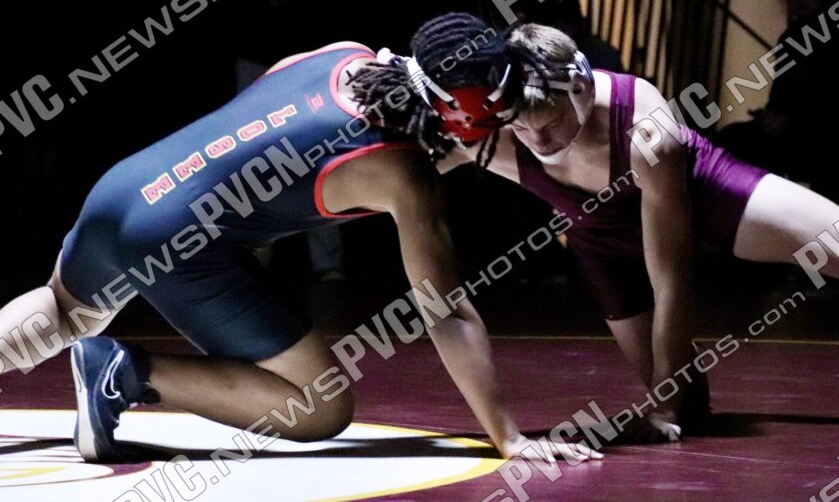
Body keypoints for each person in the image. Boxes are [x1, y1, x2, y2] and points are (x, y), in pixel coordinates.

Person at [350, 13, 839, 442]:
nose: (535, 140)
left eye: (548, 124)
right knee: (688, 409)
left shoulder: (645, 128)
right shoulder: (494, 129)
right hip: (601, 242)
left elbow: (673, 276)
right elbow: (385, 154)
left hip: (700, 194)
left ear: (580, 89)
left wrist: (660, 396)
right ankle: (681, 393)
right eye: (518, 125)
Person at [0, 41, 597, 465]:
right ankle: (125, 372)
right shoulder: (405, 176)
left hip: (126, 188)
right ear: (461, 124)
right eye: (500, 127)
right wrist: (507, 436)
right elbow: (446, 312)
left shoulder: (343, 54)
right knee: (320, 408)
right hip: (179, 244)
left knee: (64, 312)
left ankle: (107, 359)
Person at [716, 0, 839, 207]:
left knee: (829, 153)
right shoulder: (791, 38)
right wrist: (771, 117)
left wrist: (796, 119)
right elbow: (781, 95)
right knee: (729, 140)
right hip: (795, 133)